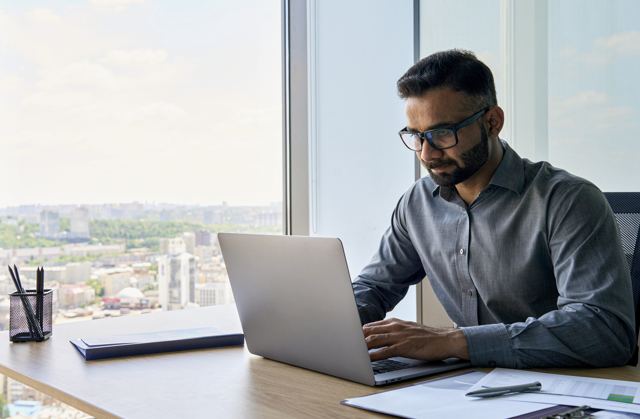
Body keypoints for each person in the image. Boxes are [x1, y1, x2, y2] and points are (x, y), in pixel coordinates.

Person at [353, 49, 636, 369]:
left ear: (492, 122)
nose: (427, 153)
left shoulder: (568, 200)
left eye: (442, 133)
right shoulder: (418, 203)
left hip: (563, 389)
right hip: (469, 384)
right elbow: (374, 288)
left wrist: (452, 341)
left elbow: (604, 331)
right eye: (416, 136)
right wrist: (323, 322)